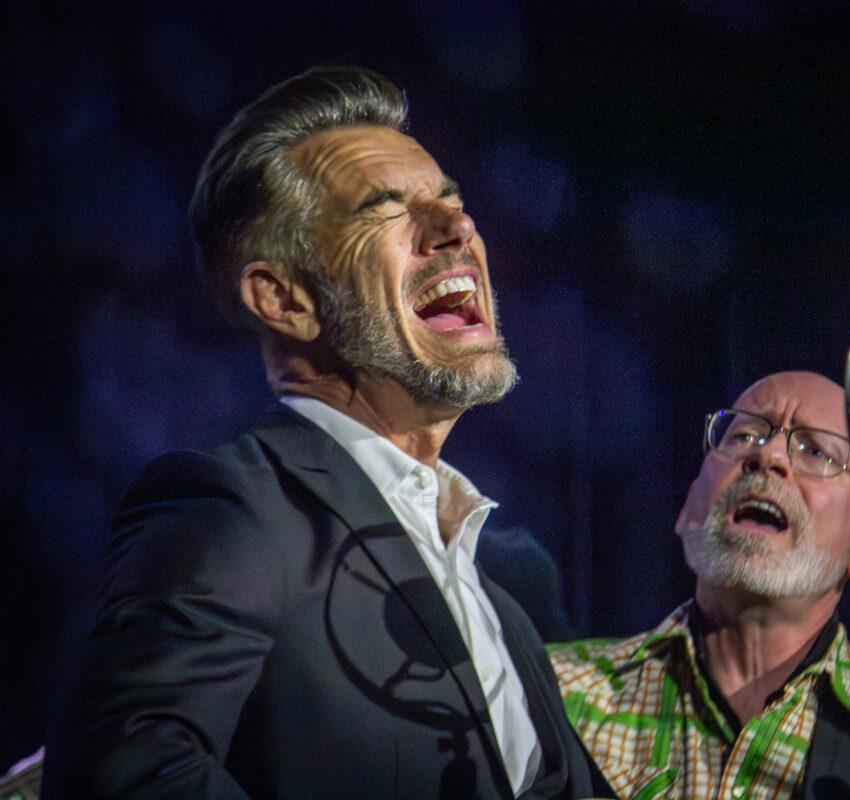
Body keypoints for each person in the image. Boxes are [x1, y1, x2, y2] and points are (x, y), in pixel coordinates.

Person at [43, 66, 610, 800]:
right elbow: (121, 777)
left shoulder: (503, 584)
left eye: (451, 202)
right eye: (385, 209)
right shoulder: (234, 507)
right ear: (285, 300)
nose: (457, 229)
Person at [551, 371, 850, 800]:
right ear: (689, 507)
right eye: (744, 435)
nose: (768, 456)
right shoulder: (551, 696)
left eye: (816, 451)